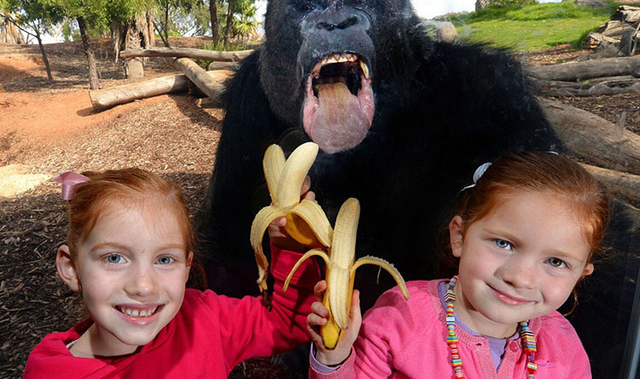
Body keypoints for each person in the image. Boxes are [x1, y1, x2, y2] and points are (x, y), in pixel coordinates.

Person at [307, 151, 610, 379]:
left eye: (555, 261)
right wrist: (334, 357)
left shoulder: (564, 347)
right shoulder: (400, 318)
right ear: (460, 236)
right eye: (503, 244)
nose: (521, 278)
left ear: (581, 274)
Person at [23, 168, 320, 378]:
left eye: (165, 260)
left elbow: (286, 320)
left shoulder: (204, 320)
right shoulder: (50, 373)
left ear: (187, 267)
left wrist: (291, 246)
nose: (143, 286)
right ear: (71, 268)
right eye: (114, 258)